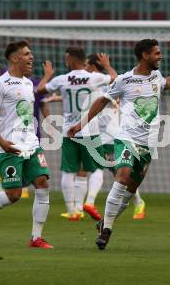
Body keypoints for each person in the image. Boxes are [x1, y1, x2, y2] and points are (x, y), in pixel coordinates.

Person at [68, 39, 170, 250]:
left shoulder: (156, 77)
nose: (160, 56)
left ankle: (104, 223)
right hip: (126, 138)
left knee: (130, 192)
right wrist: (81, 125)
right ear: (145, 55)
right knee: (123, 176)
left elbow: (168, 82)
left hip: (148, 145)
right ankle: (107, 230)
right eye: (156, 53)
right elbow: (101, 101)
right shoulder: (125, 79)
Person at [0, 41, 52, 248]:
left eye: (31, 53)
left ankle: (36, 238)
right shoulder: (0, 84)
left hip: (31, 144)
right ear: (15, 58)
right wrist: (2, 142)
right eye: (26, 54)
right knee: (13, 194)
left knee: (42, 184)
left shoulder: (27, 83)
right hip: (10, 146)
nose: (31, 57)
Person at [37, 47, 116, 221]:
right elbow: (115, 79)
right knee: (96, 169)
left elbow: (40, 90)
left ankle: (72, 210)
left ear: (72, 60)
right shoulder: (94, 77)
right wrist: (107, 66)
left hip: (69, 132)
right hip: (90, 130)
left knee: (68, 171)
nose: (65, 61)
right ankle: (89, 202)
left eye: (66, 58)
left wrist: (47, 75)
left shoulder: (61, 79)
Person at [83, 53, 146, 220]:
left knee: (116, 173)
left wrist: (107, 66)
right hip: (99, 133)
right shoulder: (92, 86)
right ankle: (138, 202)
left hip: (111, 134)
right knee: (115, 173)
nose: (84, 69)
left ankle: (91, 202)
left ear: (93, 67)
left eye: (87, 65)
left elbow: (116, 79)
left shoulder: (107, 84)